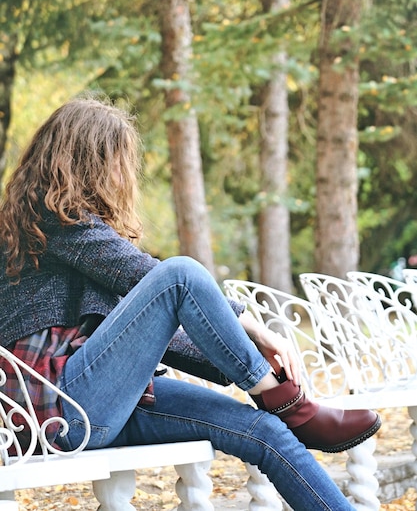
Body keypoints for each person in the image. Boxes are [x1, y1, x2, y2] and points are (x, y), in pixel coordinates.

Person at [0, 96, 381, 511]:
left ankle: (287, 412)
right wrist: (255, 329)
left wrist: (240, 351)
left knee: (263, 431)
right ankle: (289, 403)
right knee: (180, 273)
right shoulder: (51, 218)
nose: (121, 174)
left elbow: (144, 340)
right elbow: (156, 279)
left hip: (101, 400)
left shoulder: (76, 238)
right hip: (58, 411)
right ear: (86, 160)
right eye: (116, 160)